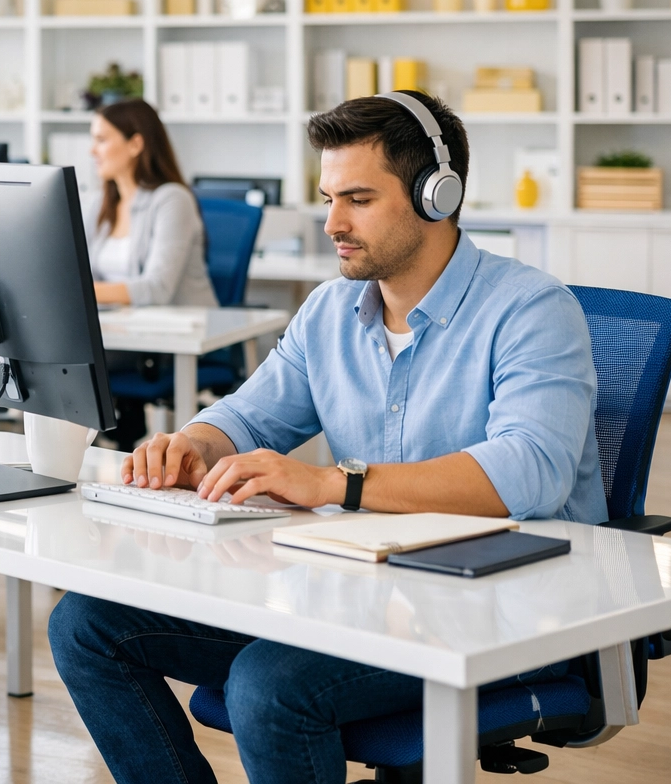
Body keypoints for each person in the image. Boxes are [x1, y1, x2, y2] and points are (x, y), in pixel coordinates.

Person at [49, 91, 605, 784]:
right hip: (363, 593)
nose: (332, 223)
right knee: (85, 625)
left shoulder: (532, 310)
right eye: (328, 197)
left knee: (268, 685)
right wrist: (192, 443)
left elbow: (531, 472)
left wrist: (336, 483)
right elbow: (249, 417)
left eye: (359, 199)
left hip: (504, 610)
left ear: (438, 196)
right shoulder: (332, 311)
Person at [86, 98, 217, 309]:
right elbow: (84, 272)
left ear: (135, 144)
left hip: (181, 332)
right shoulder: (100, 203)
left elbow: (158, 289)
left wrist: (81, 291)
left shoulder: (172, 200)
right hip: (124, 327)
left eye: (101, 140)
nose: (92, 151)